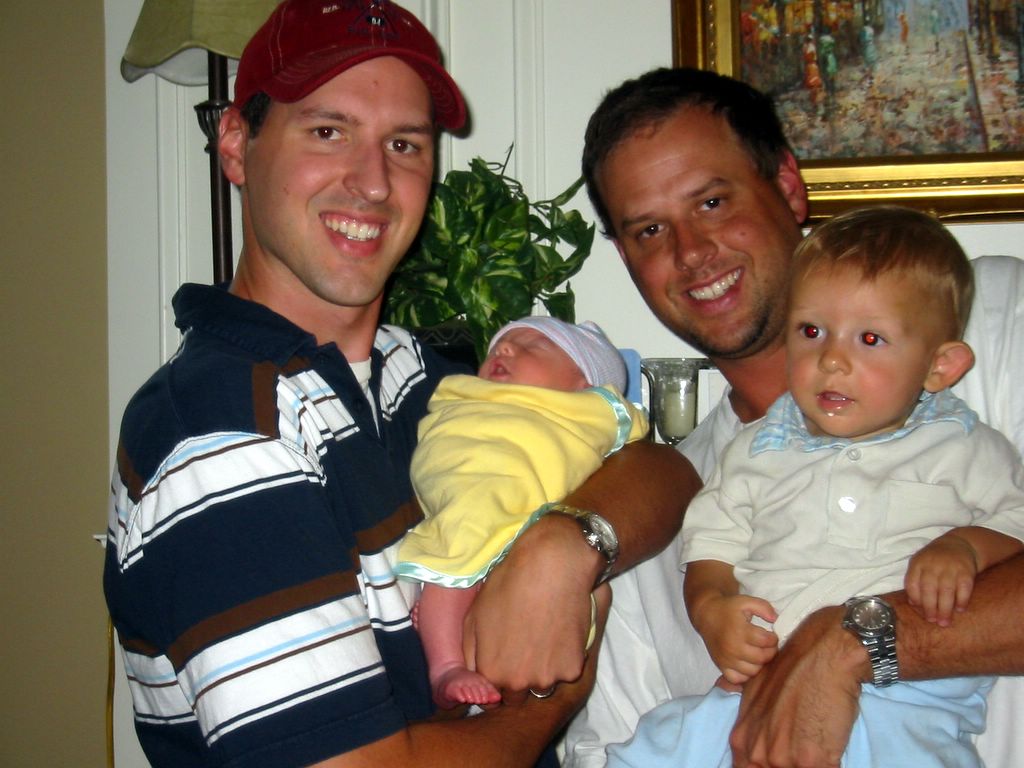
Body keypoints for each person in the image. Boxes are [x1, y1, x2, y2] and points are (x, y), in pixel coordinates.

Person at [102, 4, 698, 766]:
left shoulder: (427, 373)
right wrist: (555, 699)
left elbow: (664, 470)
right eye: (328, 131)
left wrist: (569, 545)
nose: (374, 182)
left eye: (404, 144)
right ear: (236, 145)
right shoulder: (220, 433)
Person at [563, 66, 1024, 768]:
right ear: (628, 259)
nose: (691, 252)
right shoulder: (666, 522)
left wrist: (854, 644)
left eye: (712, 201)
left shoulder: (991, 320)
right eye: (650, 230)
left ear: (786, 186)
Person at [396, 317, 648, 708]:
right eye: (499, 344)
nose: (505, 348)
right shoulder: (465, 396)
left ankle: (471, 645)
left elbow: (641, 454)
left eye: (534, 345)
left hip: (534, 521)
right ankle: (445, 666)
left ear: (584, 383)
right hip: (472, 499)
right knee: (454, 558)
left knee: (573, 594)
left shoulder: (589, 413)